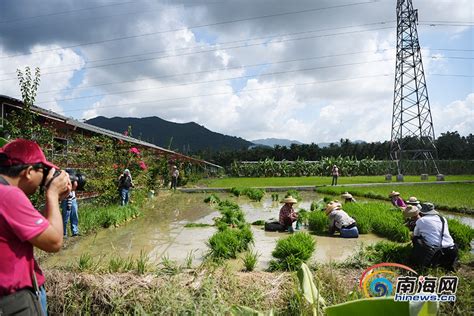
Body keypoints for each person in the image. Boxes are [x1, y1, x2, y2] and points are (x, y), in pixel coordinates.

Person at [0, 139, 72, 315]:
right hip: (14, 302)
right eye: (43, 171)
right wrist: (52, 194)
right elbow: (53, 242)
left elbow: (37, 229)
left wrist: (55, 200)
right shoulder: (10, 195)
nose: (44, 179)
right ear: (29, 172)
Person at [411, 203, 458, 271]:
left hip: (435, 252)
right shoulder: (443, 218)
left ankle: (419, 261)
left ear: (422, 212)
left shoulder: (421, 220)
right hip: (452, 250)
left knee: (416, 239)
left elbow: (416, 235)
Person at [61, 170, 79, 237]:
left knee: (74, 216)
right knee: (65, 217)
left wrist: (74, 183)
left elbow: (75, 187)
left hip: (73, 199)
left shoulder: (74, 180)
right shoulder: (63, 182)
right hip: (65, 200)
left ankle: (75, 232)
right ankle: (63, 234)